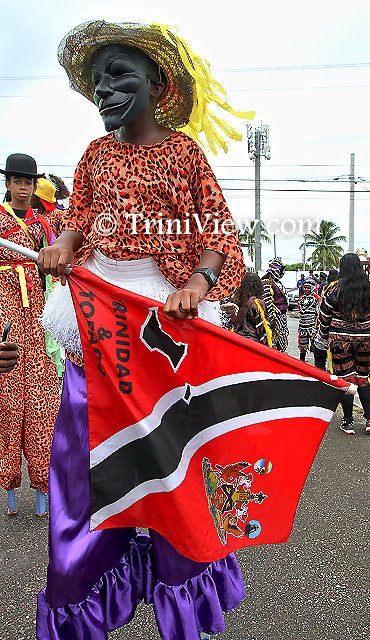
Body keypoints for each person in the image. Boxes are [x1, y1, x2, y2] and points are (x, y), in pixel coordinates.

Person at [36, 19, 253, 640]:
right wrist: (62, 245)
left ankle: (182, 610)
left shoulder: (185, 154)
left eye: (119, 75)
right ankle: (79, 598)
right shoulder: (93, 156)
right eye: (96, 82)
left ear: (157, 85)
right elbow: (78, 221)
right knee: (84, 464)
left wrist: (197, 287)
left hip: (163, 329)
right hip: (97, 323)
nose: (104, 90)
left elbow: (217, 233)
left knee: (170, 470)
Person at [0, 153, 60, 517]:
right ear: (7, 184)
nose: (23, 188)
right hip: (5, 305)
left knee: (42, 399)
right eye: (18, 181)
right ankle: (9, 488)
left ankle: (41, 487)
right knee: (8, 397)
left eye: (28, 182)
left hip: (37, 309)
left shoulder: (44, 224)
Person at [318, 253, 370, 434]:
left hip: (340, 342)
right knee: (363, 378)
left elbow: (324, 317)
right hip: (365, 341)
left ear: (342, 268)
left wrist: (323, 337)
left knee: (346, 380)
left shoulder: (333, 289)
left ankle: (348, 422)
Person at [223, 273, 272, 346]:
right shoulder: (257, 303)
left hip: (236, 340)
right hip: (251, 343)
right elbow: (261, 328)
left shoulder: (235, 301)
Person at [311, 269, 338, 370]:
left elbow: (320, 314)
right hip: (338, 335)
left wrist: (315, 332)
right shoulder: (342, 291)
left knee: (320, 364)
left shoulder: (327, 290)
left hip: (326, 333)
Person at [261, 257, 288, 351]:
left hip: (280, 319)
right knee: (273, 346)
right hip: (274, 321)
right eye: (281, 270)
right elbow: (267, 302)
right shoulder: (267, 282)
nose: (282, 273)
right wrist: (272, 320)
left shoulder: (276, 282)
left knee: (280, 345)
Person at [297, 282, 320, 361]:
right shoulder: (301, 298)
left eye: (308, 288)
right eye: (305, 288)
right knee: (302, 346)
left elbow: (318, 314)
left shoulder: (316, 298)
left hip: (312, 326)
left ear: (312, 288)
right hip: (302, 326)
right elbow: (300, 311)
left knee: (315, 346)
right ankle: (301, 363)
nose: (306, 289)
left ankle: (317, 364)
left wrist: (315, 327)